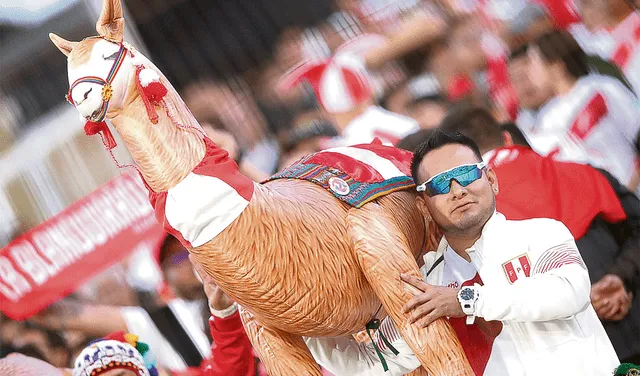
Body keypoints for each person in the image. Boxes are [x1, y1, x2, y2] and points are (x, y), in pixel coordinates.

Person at [305, 131, 620, 375]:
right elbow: (373, 361)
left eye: (468, 174)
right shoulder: (424, 284)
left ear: (492, 180)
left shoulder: (540, 234)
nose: (458, 190)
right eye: (440, 185)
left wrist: (464, 301)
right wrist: (300, 323)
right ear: (423, 204)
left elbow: (568, 293)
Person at [439, 105, 640, 364]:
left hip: (578, 359)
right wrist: (620, 277)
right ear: (508, 137)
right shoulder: (584, 171)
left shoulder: (471, 224)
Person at [29, 235, 257, 375]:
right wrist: (18, 291)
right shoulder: (160, 319)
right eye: (176, 259)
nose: (190, 260)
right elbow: (63, 316)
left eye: (190, 249)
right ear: (165, 277)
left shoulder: (247, 278)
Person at [526, 29, 640, 193]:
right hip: (604, 211)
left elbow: (637, 130)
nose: (528, 71)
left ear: (557, 65)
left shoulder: (600, 87)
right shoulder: (545, 119)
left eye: (533, 61)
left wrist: (630, 188)